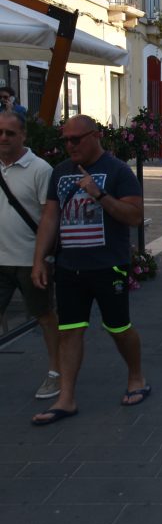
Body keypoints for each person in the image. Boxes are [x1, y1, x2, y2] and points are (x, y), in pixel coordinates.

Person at [30, 115, 148, 426]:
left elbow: (134, 216)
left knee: (118, 328)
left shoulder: (118, 172)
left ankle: (136, 377)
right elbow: (50, 218)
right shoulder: (61, 173)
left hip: (108, 266)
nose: (69, 146)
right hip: (70, 267)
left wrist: (99, 194)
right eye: (65, 140)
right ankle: (66, 397)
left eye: (76, 139)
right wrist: (39, 259)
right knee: (69, 331)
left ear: (95, 136)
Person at [0, 110, 60, 399]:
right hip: (0, 259)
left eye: (10, 133)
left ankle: (56, 373)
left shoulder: (40, 169)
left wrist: (43, 260)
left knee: (45, 316)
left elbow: (50, 217)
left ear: (23, 135)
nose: (3, 138)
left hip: (30, 261)